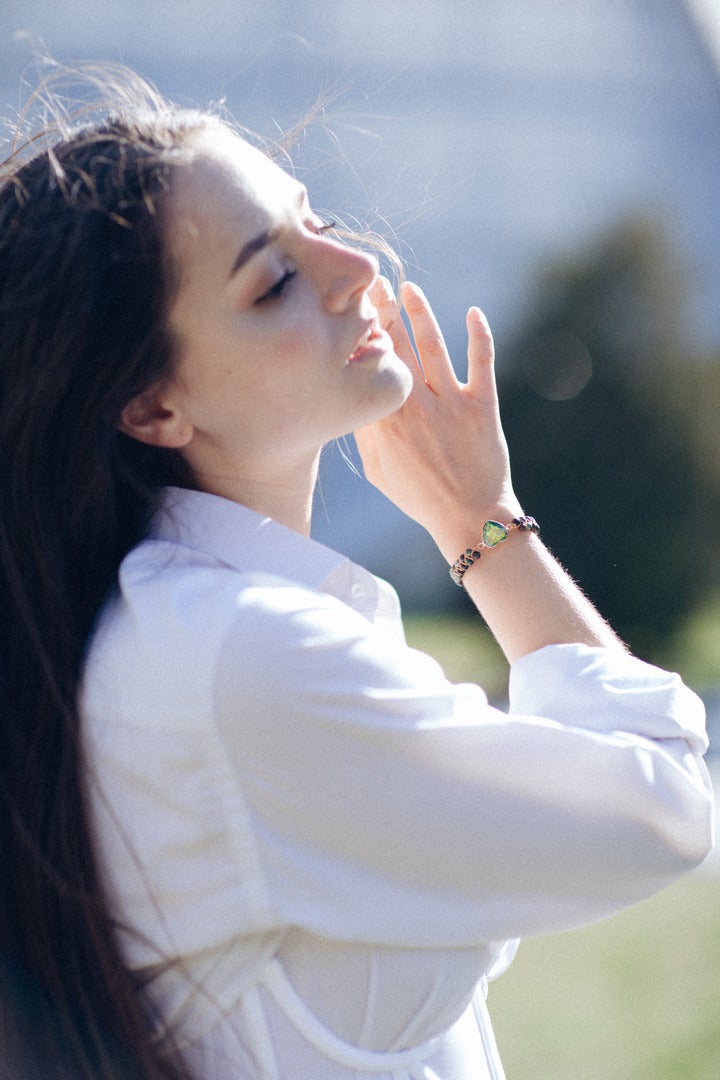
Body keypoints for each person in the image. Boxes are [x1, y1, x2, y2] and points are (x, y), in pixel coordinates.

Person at [0, 64, 712, 1080]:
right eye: (274, 280)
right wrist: (480, 520)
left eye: (313, 218)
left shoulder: (191, 635)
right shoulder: (230, 662)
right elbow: (664, 810)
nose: (350, 266)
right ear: (153, 407)